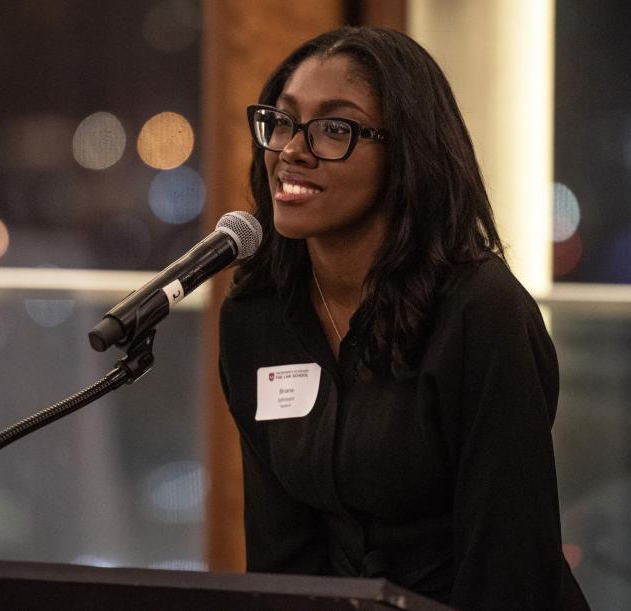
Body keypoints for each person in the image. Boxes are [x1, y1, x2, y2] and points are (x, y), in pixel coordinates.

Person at [218, 26, 591, 610]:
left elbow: (509, 565)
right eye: (284, 121)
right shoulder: (258, 317)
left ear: (407, 153)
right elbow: (280, 561)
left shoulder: (480, 311)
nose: (292, 149)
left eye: (335, 128)